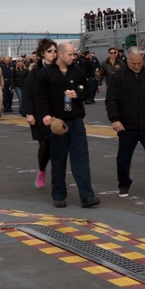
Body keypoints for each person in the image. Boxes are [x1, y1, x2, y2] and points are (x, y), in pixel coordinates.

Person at [36, 42, 99, 208]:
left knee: (81, 159)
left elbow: (86, 91)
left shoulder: (77, 71)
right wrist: (46, 115)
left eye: (74, 54)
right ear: (60, 54)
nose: (73, 57)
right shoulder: (46, 73)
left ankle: (87, 196)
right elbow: (40, 97)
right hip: (58, 123)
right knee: (58, 160)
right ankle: (58, 195)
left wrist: (76, 94)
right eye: (70, 54)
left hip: (76, 121)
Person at [105, 47, 145, 200]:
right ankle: (124, 184)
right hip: (127, 125)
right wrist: (114, 119)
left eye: (139, 63)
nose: (136, 66)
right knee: (124, 157)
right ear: (127, 60)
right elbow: (111, 100)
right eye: (133, 63)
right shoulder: (118, 76)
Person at [24, 39, 56, 188]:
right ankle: (42, 170)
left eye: (55, 51)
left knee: (56, 144)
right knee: (44, 144)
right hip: (38, 112)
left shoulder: (60, 69)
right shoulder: (35, 72)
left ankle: (57, 176)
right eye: (50, 51)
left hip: (55, 111)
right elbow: (28, 93)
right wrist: (29, 113)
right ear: (42, 53)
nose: (53, 54)